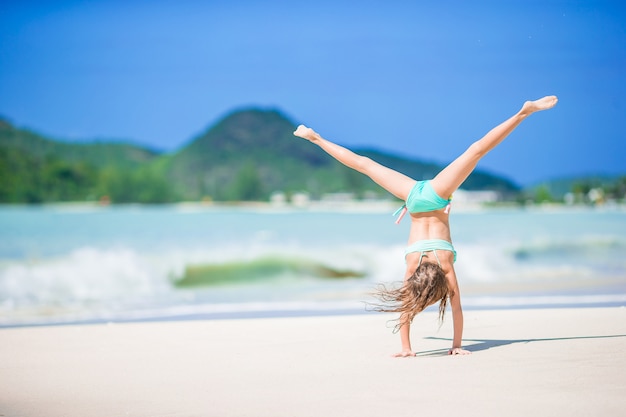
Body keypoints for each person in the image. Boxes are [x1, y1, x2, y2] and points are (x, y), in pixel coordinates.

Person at [293, 96, 558, 357]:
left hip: (436, 194)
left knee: (476, 151)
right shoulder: (413, 264)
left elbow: (455, 309)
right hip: (413, 197)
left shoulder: (445, 265)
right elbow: (410, 308)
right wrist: (407, 347)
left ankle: (523, 113)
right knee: (366, 165)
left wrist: (452, 344)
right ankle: (315, 137)